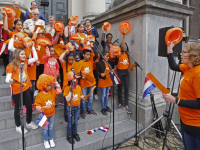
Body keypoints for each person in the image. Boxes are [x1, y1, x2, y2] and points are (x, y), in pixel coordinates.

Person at [163, 42, 200, 150]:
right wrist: (169, 50)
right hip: (185, 120)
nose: (180, 54)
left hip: (195, 125)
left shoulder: (198, 74)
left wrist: (175, 100)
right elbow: (173, 66)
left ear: (193, 55)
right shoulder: (188, 68)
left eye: (184, 52)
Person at [5, 44, 38, 134]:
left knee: (29, 105)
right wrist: (12, 81)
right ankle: (18, 126)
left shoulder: (25, 62)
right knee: (18, 108)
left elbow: (35, 58)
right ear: (17, 55)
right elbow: (7, 79)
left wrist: (33, 48)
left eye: (24, 54)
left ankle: (28, 122)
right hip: (17, 90)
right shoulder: (11, 65)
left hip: (26, 87)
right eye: (22, 54)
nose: (24, 56)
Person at [34, 74, 62, 149]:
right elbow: (36, 104)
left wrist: (55, 82)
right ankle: (46, 140)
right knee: (45, 128)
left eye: (50, 85)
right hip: (43, 115)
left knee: (51, 127)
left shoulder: (52, 91)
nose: (50, 87)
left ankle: (51, 138)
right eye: (47, 85)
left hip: (52, 113)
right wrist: (39, 108)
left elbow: (59, 90)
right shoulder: (39, 95)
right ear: (42, 85)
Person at [77, 46, 98, 119]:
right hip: (84, 83)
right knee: (84, 98)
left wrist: (90, 47)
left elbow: (94, 54)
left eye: (89, 54)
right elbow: (77, 73)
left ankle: (89, 109)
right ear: (83, 55)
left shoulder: (91, 60)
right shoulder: (80, 62)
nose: (89, 56)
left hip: (91, 83)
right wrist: (82, 77)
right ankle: (83, 110)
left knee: (91, 97)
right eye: (87, 54)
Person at [96, 51, 117, 115]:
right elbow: (97, 72)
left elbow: (116, 62)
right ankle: (103, 108)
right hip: (103, 80)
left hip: (109, 80)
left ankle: (106, 106)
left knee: (107, 94)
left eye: (108, 56)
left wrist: (116, 55)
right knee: (103, 95)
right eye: (106, 56)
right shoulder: (99, 63)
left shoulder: (109, 62)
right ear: (102, 56)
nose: (108, 57)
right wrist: (100, 74)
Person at [64, 79, 84, 144]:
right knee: (70, 122)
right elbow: (67, 98)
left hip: (77, 107)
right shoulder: (67, 88)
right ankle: (69, 135)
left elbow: (80, 95)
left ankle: (75, 133)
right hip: (70, 108)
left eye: (76, 81)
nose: (75, 82)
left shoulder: (79, 87)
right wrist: (70, 90)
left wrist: (83, 97)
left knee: (75, 121)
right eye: (73, 81)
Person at [116, 32, 132, 113]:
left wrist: (131, 67)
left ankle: (126, 104)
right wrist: (124, 36)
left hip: (126, 72)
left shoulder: (128, 55)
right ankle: (120, 103)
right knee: (119, 88)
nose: (124, 46)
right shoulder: (120, 54)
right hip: (119, 72)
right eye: (123, 46)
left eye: (125, 45)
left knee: (126, 88)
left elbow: (127, 64)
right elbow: (122, 44)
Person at [59, 48, 76, 122]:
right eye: (69, 60)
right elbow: (60, 58)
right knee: (66, 102)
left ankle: (72, 114)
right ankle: (66, 114)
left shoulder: (75, 64)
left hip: (74, 85)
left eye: (72, 60)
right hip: (66, 86)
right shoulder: (64, 64)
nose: (71, 61)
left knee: (73, 100)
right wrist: (65, 52)